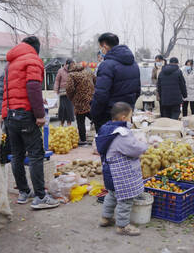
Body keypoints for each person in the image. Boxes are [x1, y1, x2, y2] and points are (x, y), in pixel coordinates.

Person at [2, 36, 59, 209]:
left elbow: (10, 90)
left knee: (17, 155)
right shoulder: (32, 60)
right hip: (25, 115)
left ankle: (23, 192)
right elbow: (33, 87)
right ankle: (41, 197)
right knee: (35, 155)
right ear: (36, 48)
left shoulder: (11, 63)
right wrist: (40, 114)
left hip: (10, 115)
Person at [95, 102, 148, 236]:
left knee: (111, 195)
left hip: (110, 172)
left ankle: (105, 218)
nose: (131, 120)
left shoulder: (106, 129)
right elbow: (134, 149)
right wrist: (144, 146)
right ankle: (122, 225)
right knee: (126, 200)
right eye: (130, 117)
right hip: (121, 175)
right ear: (124, 118)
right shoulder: (121, 134)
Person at [91, 33, 141, 133]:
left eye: (101, 48)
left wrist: (94, 114)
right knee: (124, 144)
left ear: (104, 46)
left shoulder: (106, 65)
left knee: (108, 146)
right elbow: (137, 91)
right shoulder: (134, 64)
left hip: (109, 117)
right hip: (126, 115)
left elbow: (101, 95)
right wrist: (128, 109)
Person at [66, 63, 96, 145]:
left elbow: (69, 89)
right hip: (90, 99)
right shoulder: (88, 72)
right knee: (95, 118)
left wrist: (71, 98)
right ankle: (101, 134)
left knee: (80, 121)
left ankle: (83, 140)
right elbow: (96, 81)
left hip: (79, 101)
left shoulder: (71, 75)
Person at [55, 59, 75, 126]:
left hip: (70, 95)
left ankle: (69, 128)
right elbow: (57, 81)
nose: (73, 66)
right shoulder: (60, 71)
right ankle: (61, 126)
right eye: (71, 64)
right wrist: (56, 90)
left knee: (70, 111)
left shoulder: (73, 71)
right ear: (67, 64)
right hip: (63, 94)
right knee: (62, 110)